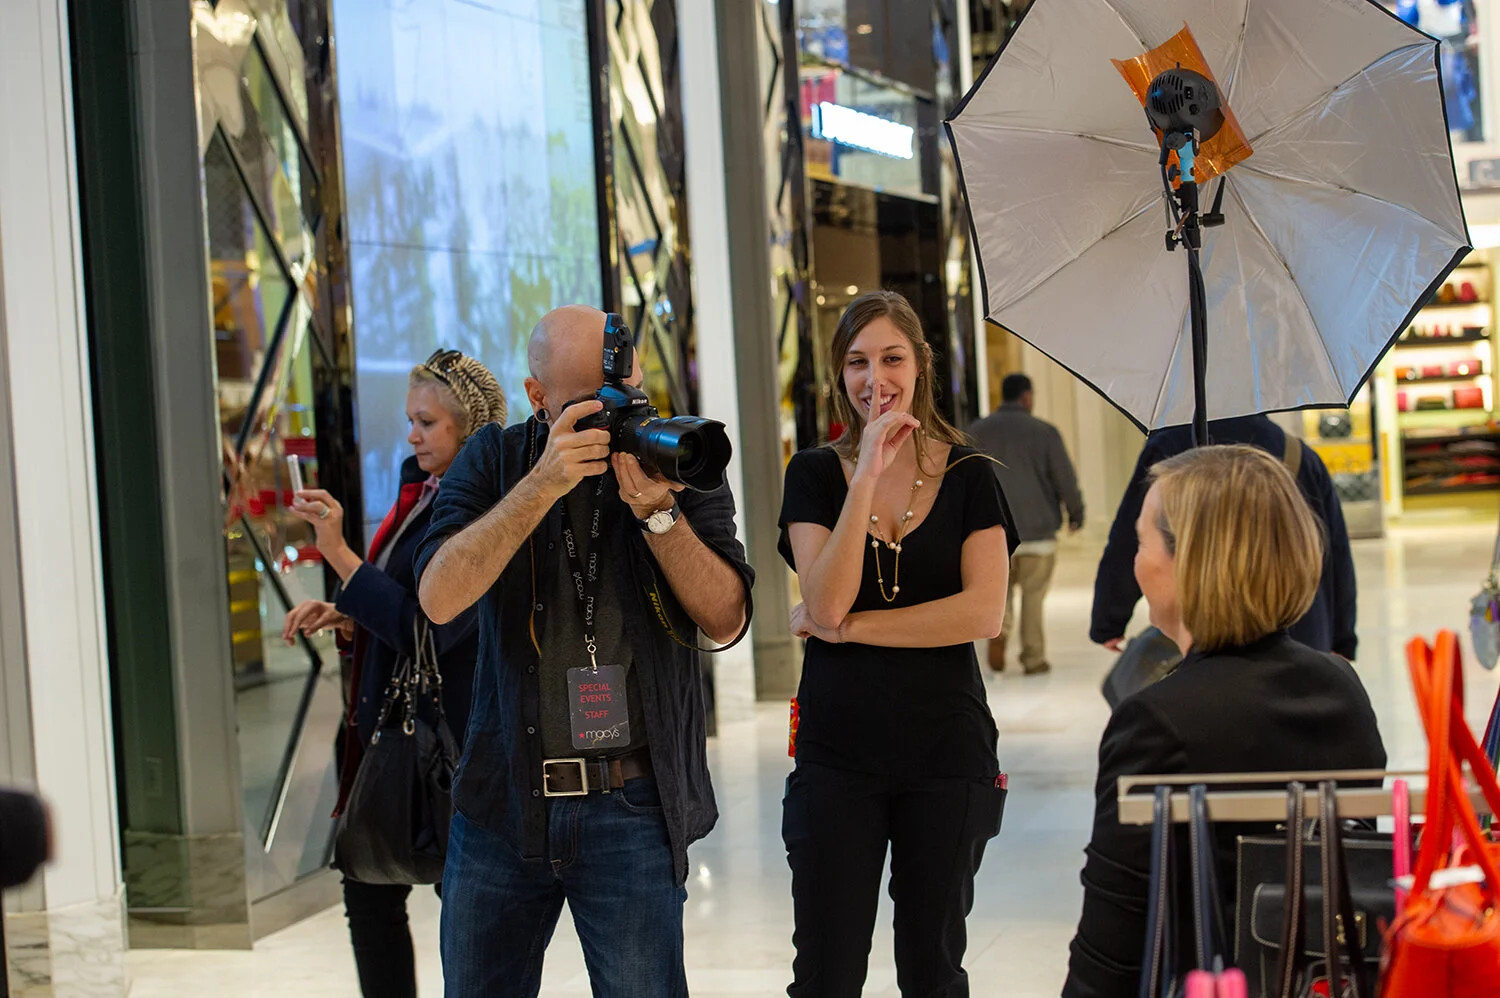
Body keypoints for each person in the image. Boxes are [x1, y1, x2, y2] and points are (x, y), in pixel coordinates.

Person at [414, 305, 753, 997]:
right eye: (586, 404)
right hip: (504, 798)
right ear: (538, 398)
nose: (614, 415)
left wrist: (661, 516)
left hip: (629, 804)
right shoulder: (498, 457)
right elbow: (439, 596)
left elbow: (727, 618)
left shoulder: (674, 453)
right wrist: (542, 484)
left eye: (623, 393)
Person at [1062, 445, 1386, 998]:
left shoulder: (1156, 719)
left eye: (1142, 542)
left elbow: (1113, 942)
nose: (1136, 563)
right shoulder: (1342, 688)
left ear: (1188, 561)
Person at [779, 290, 1015, 997]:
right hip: (836, 755)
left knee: (933, 971)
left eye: (890, 358)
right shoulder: (815, 475)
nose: (873, 378)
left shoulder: (972, 476)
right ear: (837, 373)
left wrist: (849, 629)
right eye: (856, 362)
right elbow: (823, 596)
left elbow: (984, 613)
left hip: (947, 753)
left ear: (920, 366)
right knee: (826, 973)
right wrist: (866, 478)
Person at [282, 349, 506, 998]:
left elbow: (431, 630)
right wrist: (347, 612)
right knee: (369, 888)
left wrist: (343, 559)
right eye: (410, 421)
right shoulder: (427, 491)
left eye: (427, 423)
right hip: (390, 733)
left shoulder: (478, 512)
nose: (411, 436)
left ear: (470, 427)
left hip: (445, 742)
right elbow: (405, 606)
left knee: (462, 907)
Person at [1091, 414, 1357, 660]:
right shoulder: (1298, 453)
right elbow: (1335, 550)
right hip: (1299, 629)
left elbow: (1131, 537)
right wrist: (1342, 637)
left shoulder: (1171, 445)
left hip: (1202, 620)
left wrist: (1110, 618)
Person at [968, 372, 1084, 675]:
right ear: (1027, 397)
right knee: (1034, 596)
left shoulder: (977, 431)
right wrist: (1076, 513)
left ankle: (1000, 633)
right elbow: (1064, 478)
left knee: (999, 591)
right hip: (1039, 532)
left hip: (995, 532)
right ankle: (1033, 657)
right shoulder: (1045, 432)